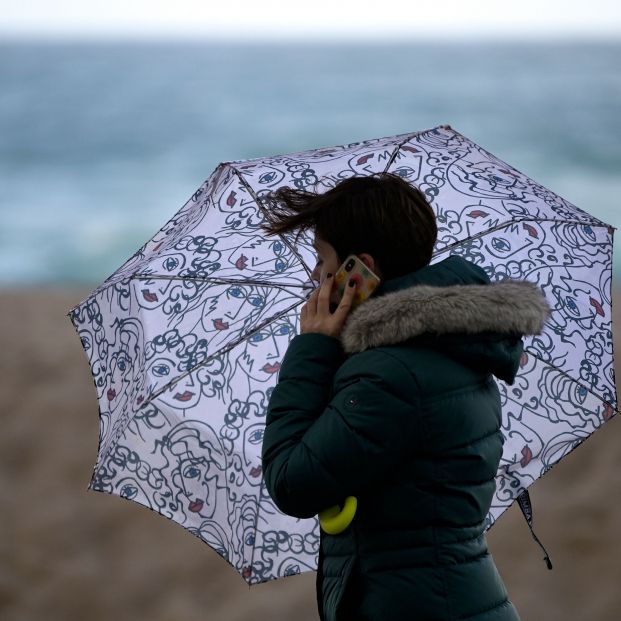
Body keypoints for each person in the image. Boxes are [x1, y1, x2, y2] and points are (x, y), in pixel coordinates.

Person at [260, 173, 551, 621]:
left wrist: (312, 349)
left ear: (360, 271)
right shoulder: (446, 343)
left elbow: (292, 481)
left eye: (323, 260)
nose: (315, 276)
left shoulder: (389, 374)